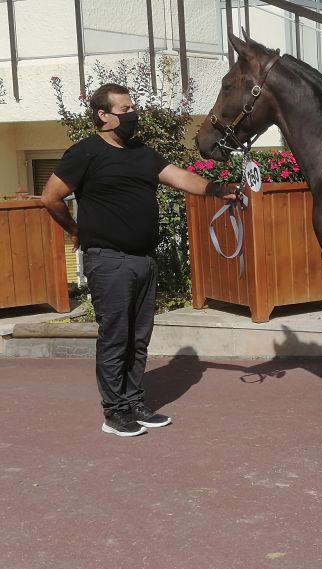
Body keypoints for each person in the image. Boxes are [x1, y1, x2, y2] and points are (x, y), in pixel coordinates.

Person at [41, 83, 237, 437]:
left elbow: (179, 177)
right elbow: (51, 197)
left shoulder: (142, 154)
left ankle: (134, 403)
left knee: (138, 338)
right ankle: (114, 412)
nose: (132, 115)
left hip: (144, 260)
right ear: (103, 115)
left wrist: (217, 189)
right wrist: (76, 229)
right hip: (109, 261)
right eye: (124, 109)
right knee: (116, 338)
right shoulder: (85, 153)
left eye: (133, 107)